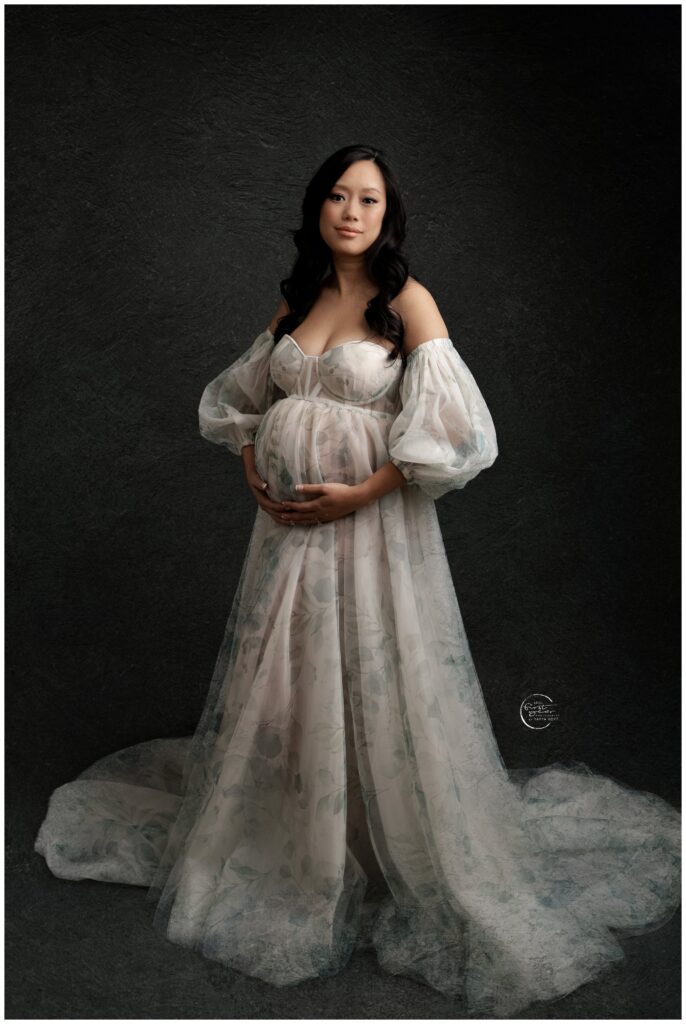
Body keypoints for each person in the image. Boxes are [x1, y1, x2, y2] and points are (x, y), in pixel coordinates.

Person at [34, 144, 680, 1016]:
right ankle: (306, 834)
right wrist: (254, 474)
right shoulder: (298, 300)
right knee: (294, 681)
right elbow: (243, 404)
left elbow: (458, 434)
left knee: (375, 674)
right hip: (288, 539)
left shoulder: (405, 302)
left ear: (387, 215)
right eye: (338, 195)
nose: (351, 211)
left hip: (370, 536)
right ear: (317, 208)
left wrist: (363, 492)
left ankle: (384, 841)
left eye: (368, 199)